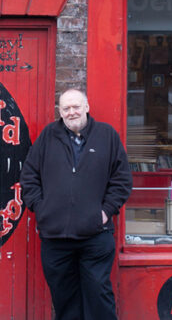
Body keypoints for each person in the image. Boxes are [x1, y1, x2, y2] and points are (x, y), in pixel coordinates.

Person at [20, 88, 132, 320]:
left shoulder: (107, 135)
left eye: (76, 107)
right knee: (64, 300)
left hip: (95, 235)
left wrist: (105, 212)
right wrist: (41, 209)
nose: (72, 112)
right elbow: (29, 176)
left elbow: (121, 180)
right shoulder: (48, 136)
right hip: (55, 237)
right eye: (66, 109)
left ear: (87, 107)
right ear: (60, 112)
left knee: (98, 296)